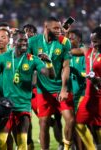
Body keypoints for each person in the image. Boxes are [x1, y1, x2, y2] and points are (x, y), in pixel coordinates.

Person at [0, 30, 55, 150]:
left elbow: (50, 75)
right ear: (14, 42)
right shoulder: (4, 58)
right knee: (1, 141)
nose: (24, 43)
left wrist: (49, 63)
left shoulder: (33, 59)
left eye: (26, 41)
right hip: (6, 107)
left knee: (22, 143)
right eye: (21, 40)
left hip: (23, 106)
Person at [28, 16, 75, 150]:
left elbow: (66, 67)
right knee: (44, 123)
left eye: (60, 28)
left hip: (60, 87)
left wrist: (64, 89)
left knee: (70, 120)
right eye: (55, 28)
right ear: (46, 26)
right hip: (44, 90)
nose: (58, 31)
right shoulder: (33, 42)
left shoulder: (64, 42)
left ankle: (66, 147)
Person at [70, 26, 101, 150]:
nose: (93, 44)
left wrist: (98, 80)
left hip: (99, 97)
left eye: (96, 41)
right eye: (92, 41)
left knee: (97, 126)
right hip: (88, 96)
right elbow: (71, 51)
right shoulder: (88, 51)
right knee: (79, 124)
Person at [67, 29, 86, 150]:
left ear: (79, 39)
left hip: (83, 94)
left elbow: (89, 73)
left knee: (82, 125)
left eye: (72, 38)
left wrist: (78, 73)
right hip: (71, 94)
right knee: (72, 124)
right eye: (68, 38)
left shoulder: (85, 52)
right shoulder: (69, 53)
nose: (70, 40)